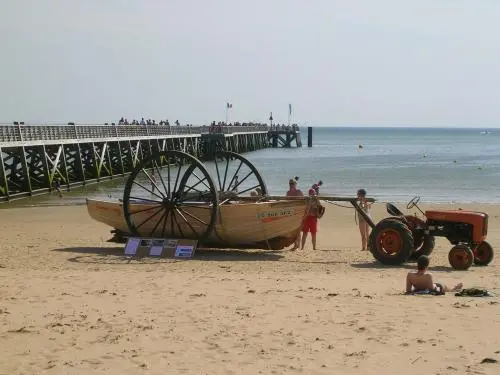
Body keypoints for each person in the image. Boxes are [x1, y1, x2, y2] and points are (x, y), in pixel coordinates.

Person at [286, 178, 303, 250]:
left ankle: (297, 245)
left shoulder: (298, 191)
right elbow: (285, 203)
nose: (291, 185)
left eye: (292, 183)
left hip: (298, 213)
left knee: (297, 230)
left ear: (295, 184)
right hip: (290, 214)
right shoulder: (288, 192)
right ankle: (296, 244)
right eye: (290, 183)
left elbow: (304, 201)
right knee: (292, 230)